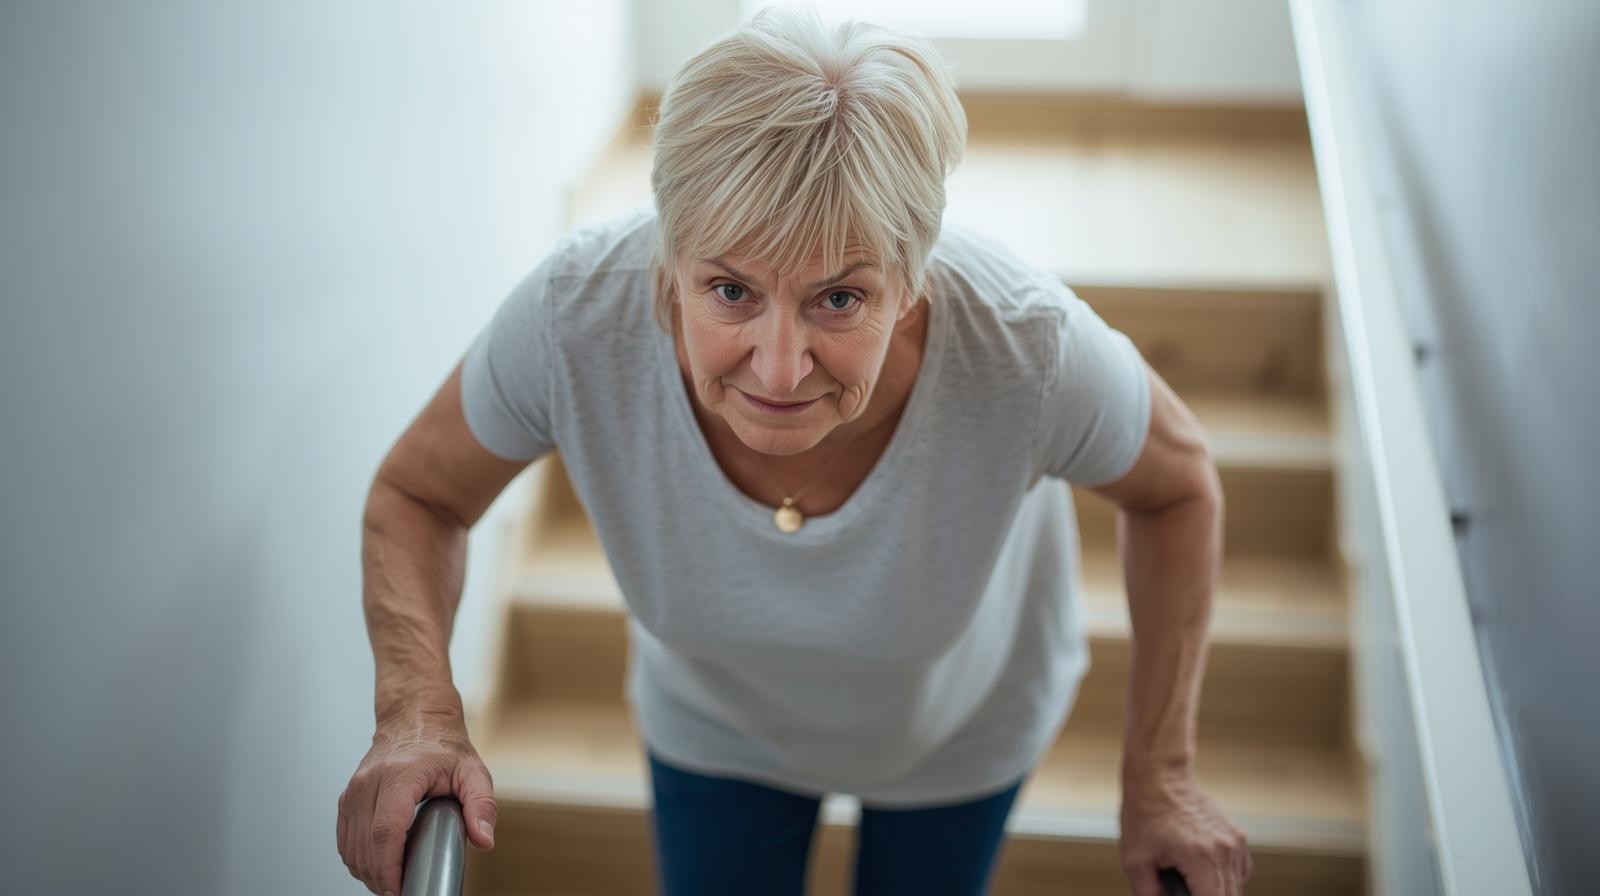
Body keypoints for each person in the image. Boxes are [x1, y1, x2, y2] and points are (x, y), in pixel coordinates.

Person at [337, 7, 1252, 896]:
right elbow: (420, 493)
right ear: (671, 260)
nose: (779, 368)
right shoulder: (575, 314)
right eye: (731, 289)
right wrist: (417, 712)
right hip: (717, 725)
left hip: (959, 728)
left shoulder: (1029, 347)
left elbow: (1177, 487)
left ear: (912, 281)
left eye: (841, 299)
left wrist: (1160, 772)